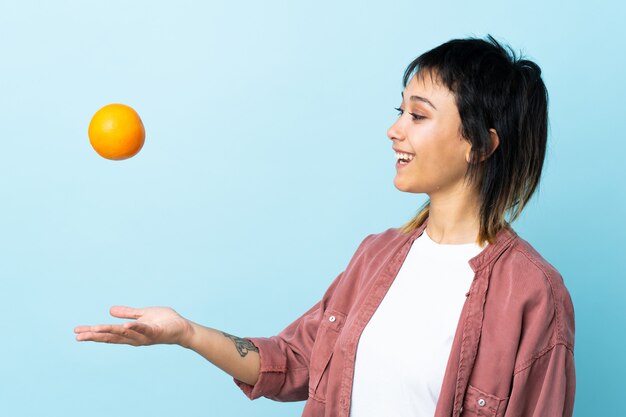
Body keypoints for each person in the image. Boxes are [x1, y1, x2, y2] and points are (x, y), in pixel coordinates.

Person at [75, 35, 575, 417]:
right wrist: (185, 333)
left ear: (481, 145)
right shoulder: (376, 255)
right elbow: (293, 361)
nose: (394, 128)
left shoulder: (534, 294)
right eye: (399, 110)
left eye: (418, 116)